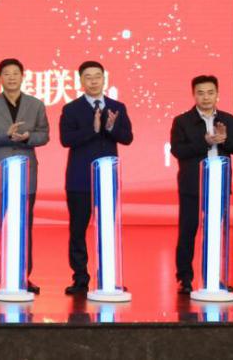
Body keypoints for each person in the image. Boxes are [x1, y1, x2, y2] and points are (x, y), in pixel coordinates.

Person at [0, 58, 49, 294]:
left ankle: (21, 276)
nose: (12, 77)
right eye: (7, 73)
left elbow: (44, 134)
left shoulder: (36, 104)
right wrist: (5, 135)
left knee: (23, 227)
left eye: (16, 73)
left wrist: (28, 137)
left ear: (22, 76)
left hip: (25, 175)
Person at [59, 60, 133, 294]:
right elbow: (66, 140)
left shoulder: (117, 106)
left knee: (107, 228)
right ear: (81, 81)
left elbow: (127, 138)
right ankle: (80, 278)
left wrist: (110, 128)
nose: (93, 81)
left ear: (104, 79)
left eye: (97, 76)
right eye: (88, 77)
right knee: (78, 230)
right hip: (79, 179)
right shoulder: (71, 109)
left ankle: (108, 276)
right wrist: (92, 128)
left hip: (108, 178)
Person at [169, 75, 233, 293]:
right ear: (194, 95)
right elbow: (178, 151)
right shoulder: (182, 121)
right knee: (188, 232)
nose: (206, 97)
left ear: (217, 94)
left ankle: (214, 278)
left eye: (210, 92)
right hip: (192, 186)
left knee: (215, 233)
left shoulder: (228, 120)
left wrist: (225, 140)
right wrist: (205, 142)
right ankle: (184, 279)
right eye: (201, 93)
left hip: (219, 184)